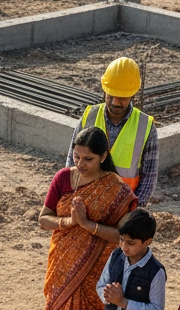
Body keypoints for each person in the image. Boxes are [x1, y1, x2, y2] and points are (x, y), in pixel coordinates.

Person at [30, 127, 137, 310]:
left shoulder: (116, 190)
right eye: (76, 156)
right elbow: (43, 219)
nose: (80, 164)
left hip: (94, 274)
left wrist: (89, 225)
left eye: (88, 159)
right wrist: (69, 222)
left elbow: (123, 237)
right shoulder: (64, 178)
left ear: (104, 156)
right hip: (62, 268)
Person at [67, 57, 159, 206]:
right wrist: (70, 197)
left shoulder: (145, 126)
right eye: (111, 95)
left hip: (122, 205)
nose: (115, 102)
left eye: (122, 97)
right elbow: (72, 163)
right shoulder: (89, 116)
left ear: (133, 94)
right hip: (86, 203)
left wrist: (133, 210)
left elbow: (149, 176)